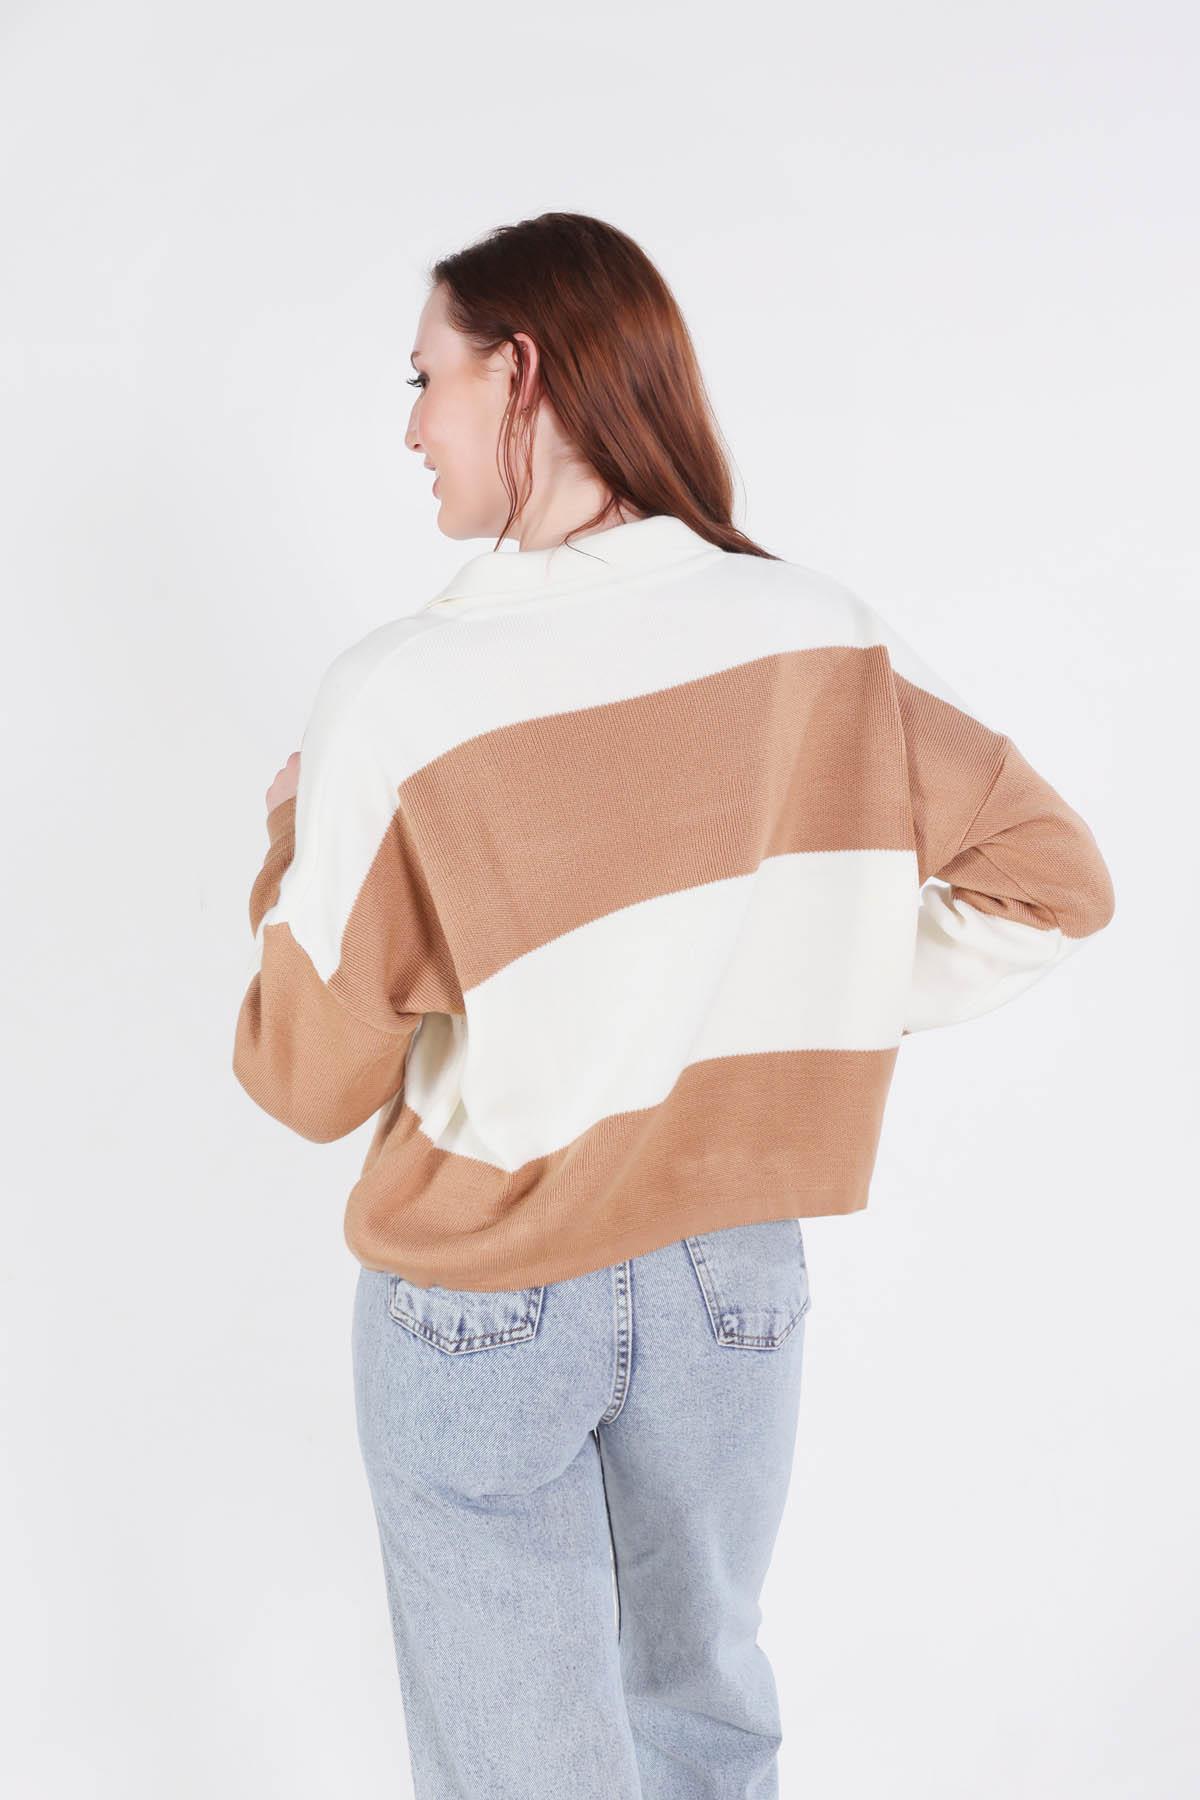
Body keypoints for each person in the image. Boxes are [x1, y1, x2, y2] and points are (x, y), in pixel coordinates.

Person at [231, 211, 1115, 1799]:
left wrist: (295, 849)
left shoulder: (398, 696)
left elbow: (307, 1078)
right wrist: (786, 982)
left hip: (485, 1293)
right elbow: (1052, 881)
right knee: (704, 1727)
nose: (412, 428)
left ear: (522, 372)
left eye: (427, 378)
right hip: (731, 1281)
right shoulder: (816, 635)